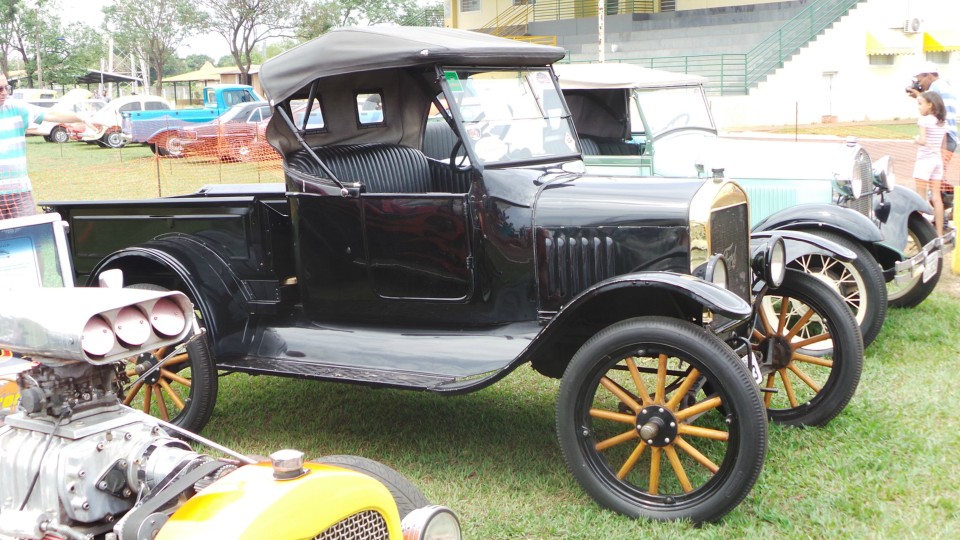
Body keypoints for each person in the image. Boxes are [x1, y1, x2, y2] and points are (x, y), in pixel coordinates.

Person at [0, 74, 100, 219]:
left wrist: (83, 118)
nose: (4, 93)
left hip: (20, 195)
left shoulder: (16, 108)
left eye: (6, 88)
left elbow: (51, 113)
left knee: (27, 238)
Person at [906, 61, 958, 169]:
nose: (919, 84)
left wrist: (918, 96)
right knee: (938, 173)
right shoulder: (945, 84)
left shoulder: (935, 86)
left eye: (920, 81)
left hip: (943, 137)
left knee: (933, 172)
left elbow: (927, 108)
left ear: (929, 76)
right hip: (949, 135)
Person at [913, 90, 947, 236]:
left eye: (920, 104)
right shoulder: (942, 122)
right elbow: (943, 145)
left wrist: (916, 140)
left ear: (930, 105)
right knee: (936, 197)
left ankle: (923, 234)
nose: (919, 107)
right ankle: (939, 233)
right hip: (937, 160)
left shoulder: (924, 120)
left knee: (921, 198)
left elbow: (923, 140)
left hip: (924, 161)